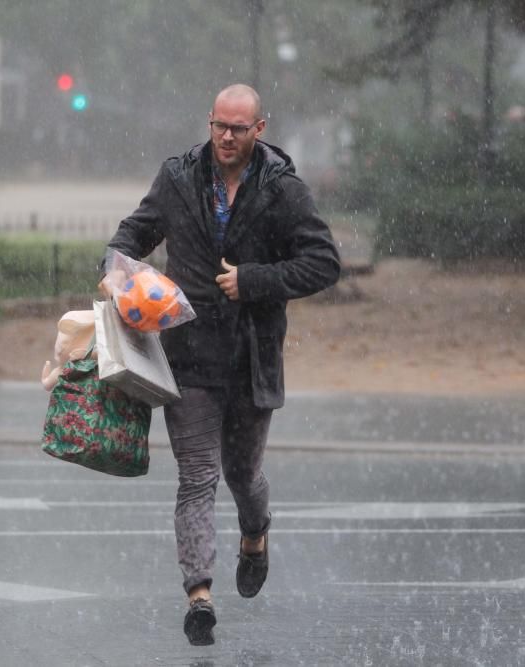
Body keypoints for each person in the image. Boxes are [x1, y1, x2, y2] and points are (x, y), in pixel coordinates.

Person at [100, 84, 340, 646]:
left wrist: (254, 280)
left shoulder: (283, 191)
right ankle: (199, 595)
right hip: (189, 358)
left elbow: (323, 262)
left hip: (252, 360)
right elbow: (134, 233)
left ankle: (255, 534)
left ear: (260, 129)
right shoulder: (179, 178)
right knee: (196, 477)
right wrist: (116, 268)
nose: (226, 137)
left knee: (242, 475)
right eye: (218, 126)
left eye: (238, 128)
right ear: (209, 122)